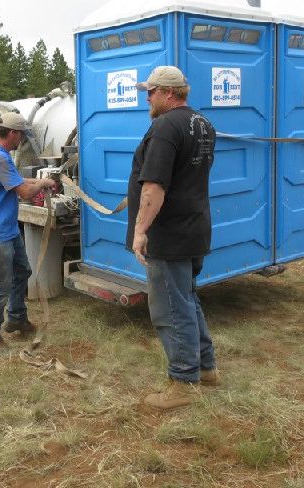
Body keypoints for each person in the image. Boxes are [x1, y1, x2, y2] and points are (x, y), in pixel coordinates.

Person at [125, 66, 220, 410]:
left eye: (150, 91)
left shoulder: (165, 126)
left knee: (169, 306)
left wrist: (140, 231)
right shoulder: (202, 124)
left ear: (167, 93)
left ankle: (182, 381)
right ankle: (206, 368)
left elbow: (154, 186)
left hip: (168, 233)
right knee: (186, 299)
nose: (146, 97)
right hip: (193, 227)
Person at [0, 111, 56, 346]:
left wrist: (45, 181)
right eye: (20, 135)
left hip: (7, 230)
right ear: (12, 133)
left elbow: (18, 182)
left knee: (22, 272)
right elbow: (25, 191)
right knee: (1, 285)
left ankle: (17, 319)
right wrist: (42, 182)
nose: (21, 140)